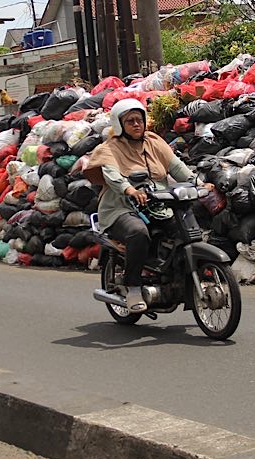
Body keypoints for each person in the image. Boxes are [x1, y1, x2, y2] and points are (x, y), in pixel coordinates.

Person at [86, 99, 214, 312]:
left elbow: (177, 167)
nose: (136, 124)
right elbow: (112, 175)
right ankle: (133, 286)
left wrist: (200, 185)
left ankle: (180, 281)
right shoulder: (109, 148)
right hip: (121, 208)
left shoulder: (155, 141)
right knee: (138, 232)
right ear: (119, 125)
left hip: (159, 204)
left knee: (187, 231)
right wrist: (130, 190)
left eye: (139, 120)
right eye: (130, 121)